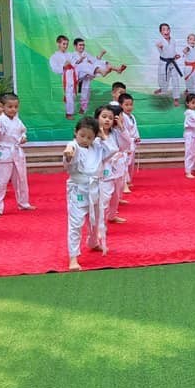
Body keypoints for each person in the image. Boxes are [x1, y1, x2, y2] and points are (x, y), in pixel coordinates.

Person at [62, 116, 111, 270]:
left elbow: (113, 150)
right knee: (76, 223)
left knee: (95, 219)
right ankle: (73, 257)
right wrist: (69, 152)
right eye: (82, 135)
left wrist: (103, 137)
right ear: (75, 132)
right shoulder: (73, 145)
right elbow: (70, 151)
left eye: (89, 137)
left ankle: (93, 242)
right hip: (78, 189)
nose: (85, 140)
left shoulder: (96, 147)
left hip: (94, 188)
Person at [96, 103, 132, 225]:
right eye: (104, 117)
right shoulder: (94, 135)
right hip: (104, 171)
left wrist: (121, 127)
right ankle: (100, 224)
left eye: (110, 118)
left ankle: (112, 216)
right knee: (105, 198)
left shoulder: (115, 132)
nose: (107, 120)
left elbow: (126, 144)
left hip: (117, 169)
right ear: (97, 118)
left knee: (116, 196)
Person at [74, 37, 125, 114]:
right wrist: (81, 59)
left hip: (88, 74)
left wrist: (101, 54)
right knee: (84, 65)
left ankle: (117, 69)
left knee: (101, 62)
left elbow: (95, 60)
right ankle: (103, 71)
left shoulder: (86, 54)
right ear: (75, 46)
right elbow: (74, 65)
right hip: (78, 74)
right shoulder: (72, 55)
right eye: (80, 45)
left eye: (83, 45)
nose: (82, 47)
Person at [49, 34, 78, 119]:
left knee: (73, 95)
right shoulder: (54, 57)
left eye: (67, 44)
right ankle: (69, 113)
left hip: (74, 74)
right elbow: (55, 69)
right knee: (69, 94)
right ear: (58, 43)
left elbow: (75, 63)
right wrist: (64, 66)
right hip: (66, 77)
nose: (65, 46)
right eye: (64, 44)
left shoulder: (70, 54)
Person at [152, 22, 182, 106]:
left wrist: (176, 55)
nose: (166, 31)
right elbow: (160, 49)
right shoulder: (159, 42)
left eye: (168, 29)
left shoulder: (173, 40)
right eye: (164, 30)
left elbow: (172, 50)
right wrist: (160, 46)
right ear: (161, 32)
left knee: (175, 80)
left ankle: (176, 98)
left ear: (170, 30)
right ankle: (162, 88)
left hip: (173, 62)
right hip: (164, 62)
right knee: (163, 78)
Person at [118, 92, 141, 193]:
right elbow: (123, 131)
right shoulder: (122, 117)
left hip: (132, 142)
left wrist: (137, 137)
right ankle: (124, 184)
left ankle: (128, 181)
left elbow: (134, 129)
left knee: (130, 163)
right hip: (126, 143)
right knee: (125, 163)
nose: (129, 107)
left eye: (131, 104)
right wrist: (131, 139)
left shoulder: (132, 116)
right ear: (120, 105)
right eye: (126, 105)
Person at [182, 33, 195, 99]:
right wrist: (185, 50)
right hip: (188, 68)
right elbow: (185, 50)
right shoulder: (188, 48)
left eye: (194, 40)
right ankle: (190, 94)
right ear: (187, 41)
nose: (192, 41)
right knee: (189, 82)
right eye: (190, 39)